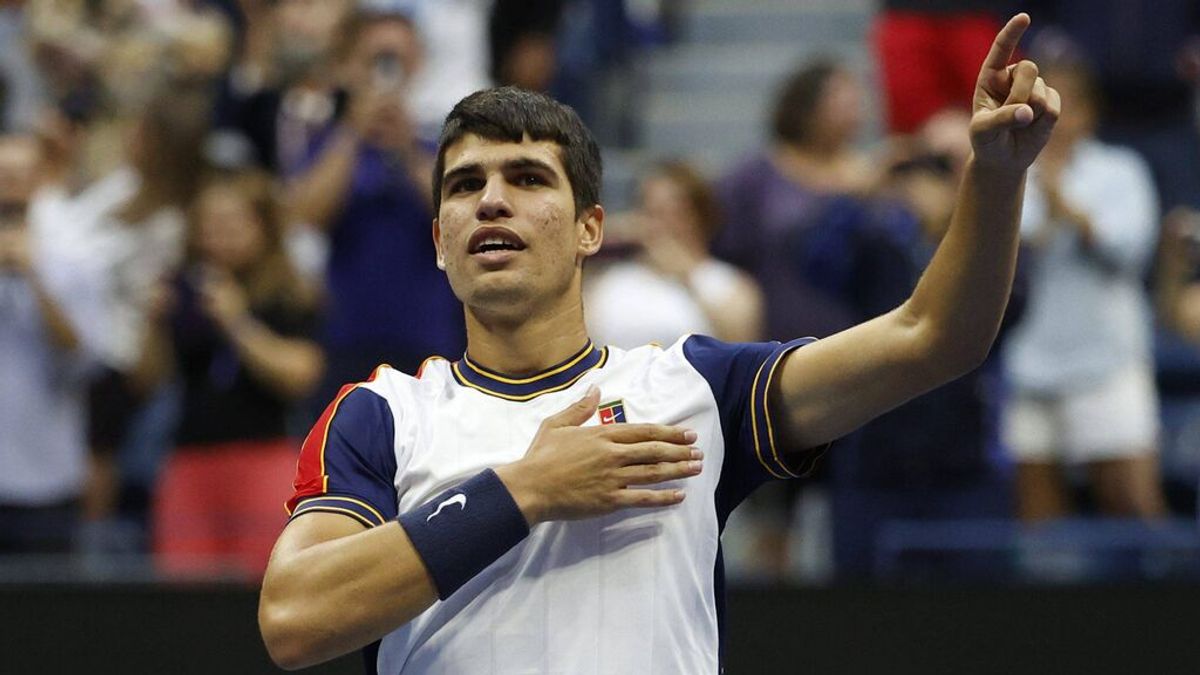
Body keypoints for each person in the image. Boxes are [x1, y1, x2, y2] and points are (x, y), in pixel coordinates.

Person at [259, 14, 1058, 672]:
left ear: (590, 229)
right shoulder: (380, 413)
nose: (492, 200)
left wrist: (995, 177)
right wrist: (525, 489)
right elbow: (294, 617)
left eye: (528, 179)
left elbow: (934, 336)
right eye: (466, 186)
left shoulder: (695, 386)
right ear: (440, 239)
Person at [1002, 59, 1167, 521]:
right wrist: (1047, 207)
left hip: (1107, 360)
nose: (1057, 117)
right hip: (1030, 361)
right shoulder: (1011, 172)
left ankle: (1157, 593)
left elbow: (1129, 249)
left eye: (1069, 106)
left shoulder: (1121, 170)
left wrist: (1068, 208)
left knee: (1132, 504)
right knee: (1036, 515)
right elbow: (1007, 252)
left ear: (1091, 113)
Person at [139, 171, 325, 578]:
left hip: (262, 458)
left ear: (262, 228)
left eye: (231, 225)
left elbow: (301, 374)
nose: (217, 238)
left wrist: (236, 322)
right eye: (208, 226)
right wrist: (152, 325)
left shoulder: (288, 293)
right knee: (185, 596)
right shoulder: (181, 288)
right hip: (190, 462)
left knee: (264, 588)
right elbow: (145, 380)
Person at [0, 133, 98, 554]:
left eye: (20, 175)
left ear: (41, 180)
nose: (10, 185)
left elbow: (83, 359)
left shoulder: (74, 256)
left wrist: (34, 276)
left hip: (44, 480)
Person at [585, 160, 763, 348]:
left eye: (673, 211)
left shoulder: (727, 285)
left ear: (700, 216)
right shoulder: (609, 282)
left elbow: (741, 348)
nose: (660, 223)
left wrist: (687, 275)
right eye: (650, 211)